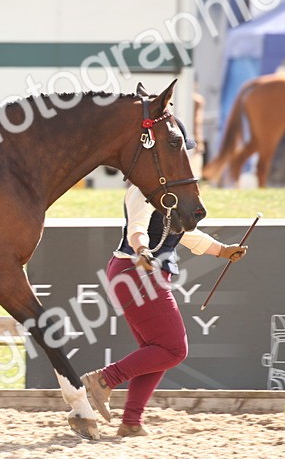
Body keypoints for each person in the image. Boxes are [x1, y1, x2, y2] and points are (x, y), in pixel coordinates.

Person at [82, 130, 247, 438]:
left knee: (157, 350)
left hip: (140, 273)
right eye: (184, 153)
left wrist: (223, 251)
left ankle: (131, 421)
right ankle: (104, 379)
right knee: (174, 349)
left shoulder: (168, 193)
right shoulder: (142, 190)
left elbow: (187, 235)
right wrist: (142, 249)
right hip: (138, 272)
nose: (188, 161)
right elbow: (138, 229)